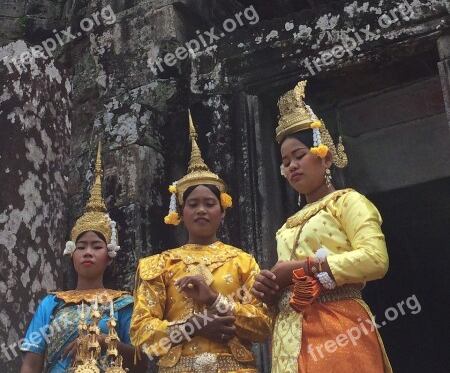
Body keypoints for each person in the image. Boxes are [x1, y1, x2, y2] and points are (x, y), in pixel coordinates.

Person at [251, 80, 393, 373]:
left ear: (325, 156)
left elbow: (375, 260)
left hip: (339, 326)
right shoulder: (286, 227)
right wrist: (269, 292)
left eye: (299, 155)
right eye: (285, 161)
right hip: (290, 336)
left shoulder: (347, 202)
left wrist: (304, 267)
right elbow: (286, 286)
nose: (291, 166)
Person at [130, 111, 271, 373]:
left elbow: (262, 326)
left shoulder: (242, 261)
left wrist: (215, 300)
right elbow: (141, 335)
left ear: (223, 211)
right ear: (181, 214)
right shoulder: (159, 265)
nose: (201, 210)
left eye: (209, 204)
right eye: (193, 204)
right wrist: (194, 327)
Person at [20, 143, 144, 373]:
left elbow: (141, 364)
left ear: (109, 256)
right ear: (72, 254)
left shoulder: (123, 305)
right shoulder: (52, 304)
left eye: (96, 246)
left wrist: (104, 340)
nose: (88, 252)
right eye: (81, 246)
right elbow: (32, 362)